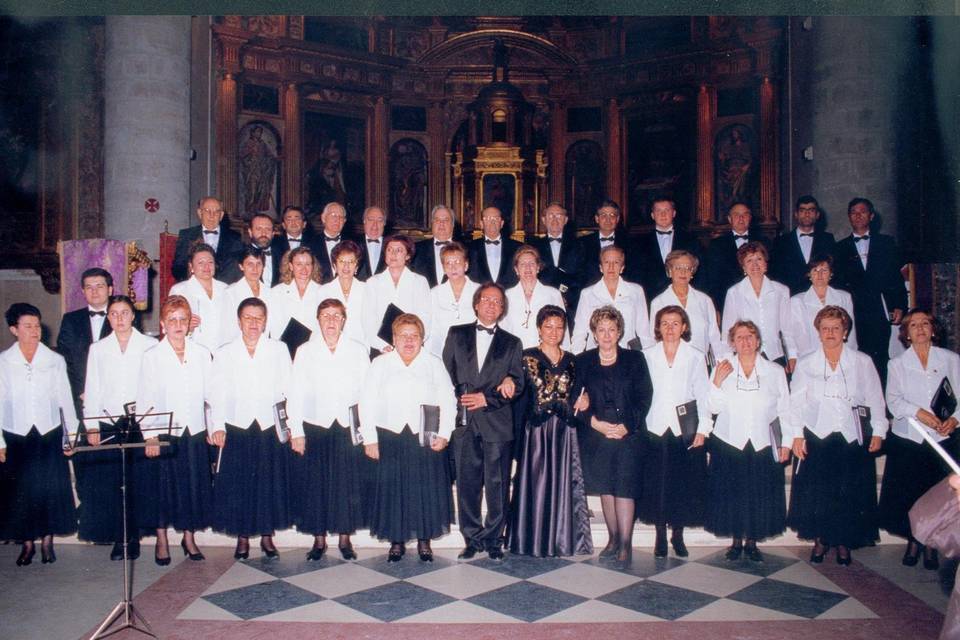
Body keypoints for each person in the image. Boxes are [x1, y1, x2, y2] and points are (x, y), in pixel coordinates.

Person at [787, 305, 886, 566]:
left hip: (852, 435)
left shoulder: (862, 361)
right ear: (818, 332)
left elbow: (875, 398)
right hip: (818, 435)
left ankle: (844, 542)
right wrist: (797, 435)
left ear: (845, 332)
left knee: (848, 493)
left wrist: (879, 430)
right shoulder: (807, 362)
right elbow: (794, 402)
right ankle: (821, 539)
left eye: (836, 328)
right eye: (825, 328)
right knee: (820, 493)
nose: (830, 332)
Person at [361, 313, 457, 562]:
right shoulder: (380, 364)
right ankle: (396, 541)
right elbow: (366, 402)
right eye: (403, 335)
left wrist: (445, 434)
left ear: (422, 339)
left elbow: (449, 399)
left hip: (424, 437)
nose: (409, 340)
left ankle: (424, 541)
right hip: (390, 436)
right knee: (394, 490)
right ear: (394, 338)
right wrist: (369, 438)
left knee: (424, 490)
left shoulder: (433, 363)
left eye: (414, 336)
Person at [443, 283, 526, 560]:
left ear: (502, 310)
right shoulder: (456, 334)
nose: (491, 305)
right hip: (465, 422)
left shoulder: (512, 342)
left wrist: (487, 398)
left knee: (498, 483)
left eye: (497, 302)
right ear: (476, 304)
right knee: (467, 484)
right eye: (486, 300)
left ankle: (493, 539)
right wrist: (464, 397)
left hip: (497, 422)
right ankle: (472, 538)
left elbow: (518, 382)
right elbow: (447, 375)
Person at [288, 298, 371, 561]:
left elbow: (367, 395)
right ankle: (319, 539)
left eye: (337, 316)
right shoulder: (304, 351)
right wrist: (297, 431)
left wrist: (367, 433)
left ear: (344, 320)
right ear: (318, 319)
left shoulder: (358, 350)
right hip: (315, 425)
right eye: (326, 315)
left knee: (346, 484)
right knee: (317, 484)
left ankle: (345, 539)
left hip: (346, 427)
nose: (331, 321)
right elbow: (295, 393)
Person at [209, 298, 292, 560]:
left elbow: (289, 389)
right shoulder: (224, 352)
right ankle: (243, 537)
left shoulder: (278, 349)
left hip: (268, 426)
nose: (253, 323)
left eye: (258, 318)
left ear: (265, 321)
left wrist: (289, 425)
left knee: (269, 483)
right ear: (238, 321)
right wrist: (218, 425)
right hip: (238, 425)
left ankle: (267, 536)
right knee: (240, 483)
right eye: (248, 317)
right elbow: (216, 393)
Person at [135, 295, 214, 565]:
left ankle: (188, 537)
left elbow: (210, 396)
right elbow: (145, 400)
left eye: (182, 319)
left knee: (192, 486)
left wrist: (213, 429)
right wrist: (150, 436)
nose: (178, 325)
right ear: (163, 323)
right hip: (165, 432)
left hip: (194, 431)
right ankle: (162, 539)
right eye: (172, 320)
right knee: (163, 489)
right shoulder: (152, 356)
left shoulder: (202, 354)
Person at [879, 309, 960, 570]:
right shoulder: (897, 363)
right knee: (910, 493)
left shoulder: (950, 359)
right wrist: (920, 413)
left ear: (933, 329)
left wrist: (955, 419)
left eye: (925, 323)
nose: (920, 328)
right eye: (914, 325)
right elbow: (893, 401)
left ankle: (931, 548)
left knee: (936, 495)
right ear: (906, 334)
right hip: (911, 438)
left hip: (943, 438)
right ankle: (914, 543)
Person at [508, 305, 592, 557]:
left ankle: (562, 540)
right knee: (536, 484)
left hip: (565, 432)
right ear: (539, 329)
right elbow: (517, 391)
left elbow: (580, 392)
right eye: (548, 326)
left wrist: (585, 398)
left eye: (559, 327)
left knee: (564, 483)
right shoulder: (525, 356)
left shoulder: (574, 360)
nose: (554, 332)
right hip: (535, 432)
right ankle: (531, 541)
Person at [706, 320, 791, 562]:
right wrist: (717, 383)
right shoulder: (722, 368)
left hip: (762, 442)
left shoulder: (774, 371)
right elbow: (712, 406)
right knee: (732, 493)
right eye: (740, 337)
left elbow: (785, 409)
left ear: (758, 341)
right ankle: (735, 541)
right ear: (732, 342)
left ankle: (752, 542)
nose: (745, 341)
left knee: (757, 493)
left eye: (750, 336)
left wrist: (787, 442)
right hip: (729, 442)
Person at [574, 305, 653, 565]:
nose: (606, 335)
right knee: (606, 488)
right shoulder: (583, 361)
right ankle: (613, 539)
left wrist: (627, 426)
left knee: (625, 488)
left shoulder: (635, 359)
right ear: (594, 334)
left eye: (611, 329)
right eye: (601, 330)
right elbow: (575, 400)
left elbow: (644, 397)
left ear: (619, 332)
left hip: (628, 435)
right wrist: (593, 422)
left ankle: (626, 545)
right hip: (597, 435)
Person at [0, 303, 78, 566]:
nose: (35, 331)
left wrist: (71, 434)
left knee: (48, 490)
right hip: (16, 434)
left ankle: (46, 542)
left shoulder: (54, 360)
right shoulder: (4, 361)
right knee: (20, 492)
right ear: (14, 329)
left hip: (48, 432)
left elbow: (65, 400)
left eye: (37, 325)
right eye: (28, 326)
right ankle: (26, 544)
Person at [82, 295, 158, 560]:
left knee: (137, 483)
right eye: (113, 314)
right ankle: (119, 537)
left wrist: (152, 431)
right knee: (114, 483)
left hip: (140, 422)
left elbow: (155, 387)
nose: (119, 319)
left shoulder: (149, 345)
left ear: (133, 315)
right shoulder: (99, 348)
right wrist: (91, 425)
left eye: (124, 313)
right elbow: (92, 388)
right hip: (109, 421)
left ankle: (133, 536)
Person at [638, 306, 709, 558]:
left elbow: (703, 395)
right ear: (657, 327)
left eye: (675, 323)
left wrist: (703, 429)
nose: (670, 328)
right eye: (665, 323)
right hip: (654, 427)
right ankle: (659, 535)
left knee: (681, 484)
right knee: (656, 483)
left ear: (684, 327)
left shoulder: (695, 356)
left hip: (684, 430)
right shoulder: (646, 355)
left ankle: (677, 535)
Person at [832, 197, 907, 383]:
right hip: (854, 310)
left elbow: (895, 278)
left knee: (881, 357)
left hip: (878, 309)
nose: (858, 216)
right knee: (857, 358)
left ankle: (882, 405)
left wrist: (899, 305)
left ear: (871, 216)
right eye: (853, 213)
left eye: (862, 212)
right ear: (849, 217)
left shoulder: (886, 243)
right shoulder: (839, 248)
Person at [721, 241, 795, 370]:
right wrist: (727, 360)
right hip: (745, 356)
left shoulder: (781, 291)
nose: (755, 264)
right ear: (743, 267)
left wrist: (792, 356)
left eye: (759, 259)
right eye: (749, 260)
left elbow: (787, 329)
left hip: (775, 356)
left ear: (765, 264)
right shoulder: (734, 292)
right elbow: (728, 331)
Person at [571, 245, 652, 353]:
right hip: (596, 355)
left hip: (627, 354)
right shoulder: (587, 294)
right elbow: (579, 333)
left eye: (616, 262)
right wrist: (577, 361)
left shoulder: (636, 291)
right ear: (600, 267)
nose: (611, 267)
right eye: (607, 262)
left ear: (622, 267)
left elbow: (644, 333)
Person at [648, 250, 724, 363]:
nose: (683, 272)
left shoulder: (705, 301)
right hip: (670, 364)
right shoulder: (658, 302)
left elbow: (714, 337)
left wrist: (721, 361)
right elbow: (654, 339)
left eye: (688, 268)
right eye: (678, 268)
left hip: (701, 364)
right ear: (669, 271)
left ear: (692, 273)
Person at [57, 267, 114, 416]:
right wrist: (81, 391)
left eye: (99, 286)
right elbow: (65, 360)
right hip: (81, 398)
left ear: (110, 290)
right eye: (89, 287)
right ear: (83, 291)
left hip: (114, 397)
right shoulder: (70, 320)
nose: (94, 291)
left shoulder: (122, 318)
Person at [363, 235, 431, 355]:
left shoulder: (419, 281)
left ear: (408, 255)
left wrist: (411, 343)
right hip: (382, 349)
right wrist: (382, 345)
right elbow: (368, 318)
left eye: (399, 250)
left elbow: (425, 317)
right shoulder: (373, 282)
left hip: (412, 348)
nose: (393, 254)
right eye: (389, 250)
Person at [788, 256, 858, 359]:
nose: (819, 275)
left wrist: (851, 355)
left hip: (840, 354)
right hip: (810, 356)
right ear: (809, 274)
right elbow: (795, 333)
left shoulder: (844, 297)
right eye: (815, 270)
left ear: (831, 274)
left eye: (824, 270)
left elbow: (850, 331)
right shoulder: (797, 301)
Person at [502, 245, 568, 349]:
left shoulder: (553, 294)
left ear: (538, 267)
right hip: (514, 355)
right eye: (523, 264)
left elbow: (563, 329)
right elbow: (502, 330)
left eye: (532, 263)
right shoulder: (506, 296)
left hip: (545, 354)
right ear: (516, 269)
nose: (528, 268)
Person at [704, 201, 766, 311]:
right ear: (729, 219)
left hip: (759, 300)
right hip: (727, 301)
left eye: (745, 214)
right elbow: (712, 279)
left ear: (750, 218)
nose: (741, 218)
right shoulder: (716, 245)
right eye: (736, 215)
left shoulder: (765, 242)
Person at [635, 196, 700, 299]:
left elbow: (698, 272)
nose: (663, 214)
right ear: (652, 215)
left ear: (674, 213)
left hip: (683, 294)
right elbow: (637, 275)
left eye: (667, 210)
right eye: (658, 211)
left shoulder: (690, 240)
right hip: (651, 296)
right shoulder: (639, 243)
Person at [769, 195, 836, 296]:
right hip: (791, 296)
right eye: (802, 210)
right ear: (796, 214)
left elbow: (833, 269)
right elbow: (775, 273)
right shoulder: (781, 242)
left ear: (817, 215)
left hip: (821, 295)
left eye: (811, 210)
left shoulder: (827, 239)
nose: (807, 213)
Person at [169, 243, 229, 353]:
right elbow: (170, 325)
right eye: (201, 263)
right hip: (193, 351)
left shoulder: (225, 289)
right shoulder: (179, 290)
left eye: (210, 262)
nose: (207, 267)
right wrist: (187, 327)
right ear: (191, 266)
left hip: (223, 352)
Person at [528, 202, 583, 318]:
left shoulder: (579, 245)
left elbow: (582, 276)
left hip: (571, 304)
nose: (554, 220)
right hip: (541, 300)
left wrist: (567, 296)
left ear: (566, 220)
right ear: (544, 220)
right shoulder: (533, 246)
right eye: (551, 216)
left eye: (559, 216)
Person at [425, 241, 479, 356]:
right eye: (448, 263)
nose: (453, 267)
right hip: (441, 351)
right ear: (443, 269)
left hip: (473, 351)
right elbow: (431, 327)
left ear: (466, 265)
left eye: (457, 262)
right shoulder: (434, 293)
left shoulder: (479, 291)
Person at [172, 196, 243, 283]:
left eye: (216, 212)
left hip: (225, 289)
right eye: (207, 211)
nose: (211, 216)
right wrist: (194, 281)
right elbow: (178, 267)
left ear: (221, 215)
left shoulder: (235, 238)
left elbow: (239, 268)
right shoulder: (187, 235)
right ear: (199, 213)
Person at [267, 246, 324, 353]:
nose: (304, 269)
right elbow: (275, 327)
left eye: (308, 264)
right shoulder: (277, 292)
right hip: (285, 350)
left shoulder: (323, 291)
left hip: (314, 350)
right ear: (291, 266)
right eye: (299, 264)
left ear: (313, 266)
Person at [317, 241, 369, 346]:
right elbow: (317, 324)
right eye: (341, 261)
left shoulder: (366, 289)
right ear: (335, 265)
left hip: (361, 346)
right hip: (331, 346)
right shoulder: (323, 291)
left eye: (351, 262)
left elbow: (371, 323)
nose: (346, 266)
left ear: (356, 266)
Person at [578, 199, 634, 287]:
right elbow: (579, 274)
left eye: (612, 215)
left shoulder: (630, 243)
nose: (608, 220)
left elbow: (632, 273)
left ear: (617, 219)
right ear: (597, 219)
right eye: (603, 215)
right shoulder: (582, 243)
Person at [219, 247, 268, 343]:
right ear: (241, 266)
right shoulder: (230, 293)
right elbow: (226, 328)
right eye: (250, 264)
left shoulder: (270, 293)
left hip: (264, 346)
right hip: (239, 346)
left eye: (259, 264)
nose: (255, 269)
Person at [221, 213, 281, 287]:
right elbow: (223, 288)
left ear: (273, 233)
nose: (263, 233)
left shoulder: (281, 257)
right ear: (250, 232)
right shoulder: (235, 258)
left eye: (268, 229)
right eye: (258, 229)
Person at [467, 206, 521, 288]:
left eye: (496, 218)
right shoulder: (470, 248)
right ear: (481, 224)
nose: (492, 222)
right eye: (488, 218)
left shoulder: (517, 247)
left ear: (502, 223)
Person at [411, 204, 459, 288]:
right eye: (437, 220)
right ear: (432, 224)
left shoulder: (465, 250)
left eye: (446, 220)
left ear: (453, 225)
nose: (441, 223)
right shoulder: (417, 249)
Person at [313, 202, 356, 282]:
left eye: (341, 217)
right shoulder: (311, 243)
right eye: (333, 215)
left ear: (344, 221)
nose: (337, 220)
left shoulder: (352, 244)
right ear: (323, 218)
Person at [356, 205, 388, 281]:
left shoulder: (391, 245)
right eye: (371, 219)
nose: (375, 225)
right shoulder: (353, 243)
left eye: (379, 220)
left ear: (384, 223)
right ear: (364, 221)